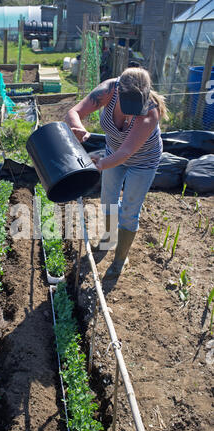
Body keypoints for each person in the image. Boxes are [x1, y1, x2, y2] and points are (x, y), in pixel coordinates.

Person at [65, 67, 168, 280]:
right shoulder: (108, 91)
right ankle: (110, 237)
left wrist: (98, 164)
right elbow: (73, 112)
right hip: (113, 153)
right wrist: (78, 128)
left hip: (143, 162)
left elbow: (126, 152)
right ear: (118, 91)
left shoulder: (150, 111)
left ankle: (120, 260)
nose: (131, 114)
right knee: (108, 200)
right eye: (127, 107)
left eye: (135, 109)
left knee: (130, 211)